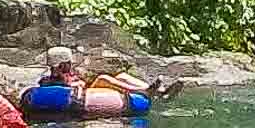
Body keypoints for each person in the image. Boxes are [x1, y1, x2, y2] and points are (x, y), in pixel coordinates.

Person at [38, 44, 175, 101]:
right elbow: (61, 91)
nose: (71, 64)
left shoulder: (68, 73)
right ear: (62, 64)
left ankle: (157, 91)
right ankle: (143, 91)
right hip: (84, 96)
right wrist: (75, 84)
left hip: (87, 91)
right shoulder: (52, 79)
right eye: (68, 63)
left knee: (121, 75)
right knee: (103, 78)